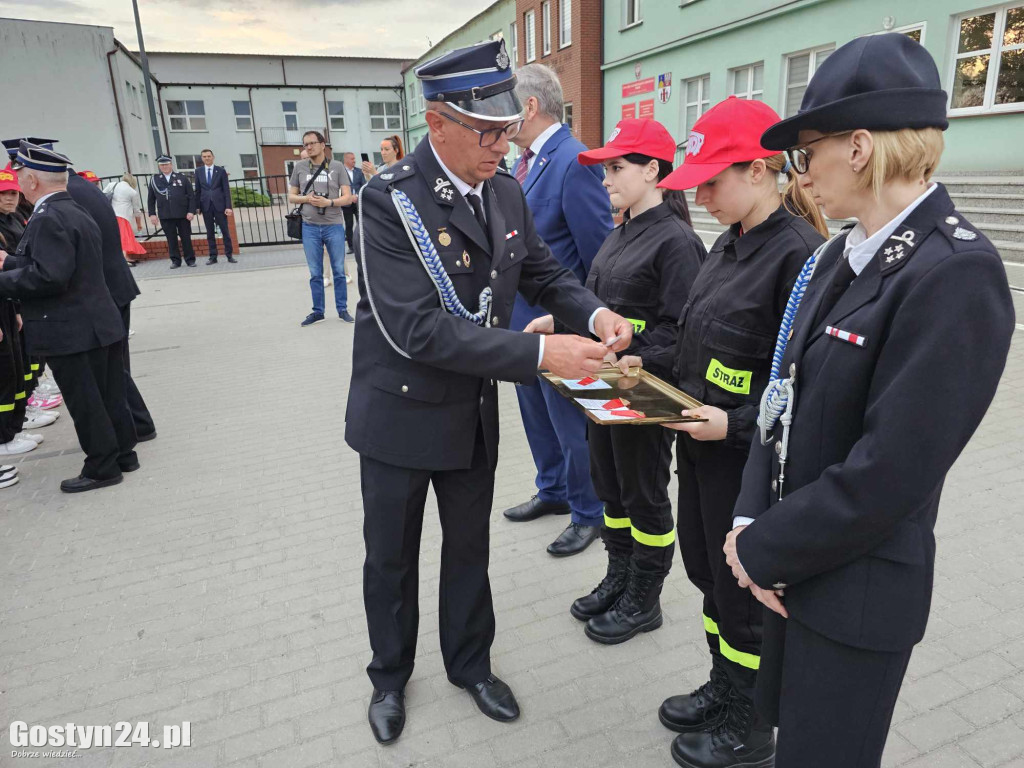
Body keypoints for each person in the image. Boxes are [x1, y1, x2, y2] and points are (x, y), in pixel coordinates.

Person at [719, 34, 1014, 768]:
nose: (800, 173)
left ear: (857, 148)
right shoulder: (838, 255)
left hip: (854, 593)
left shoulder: (956, 273)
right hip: (796, 565)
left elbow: (892, 471)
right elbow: (779, 400)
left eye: (806, 151)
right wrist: (752, 516)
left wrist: (760, 548)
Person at [346, 39, 635, 746]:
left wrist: (593, 313)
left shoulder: (504, 187)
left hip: (471, 411)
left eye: (507, 129)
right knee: (392, 556)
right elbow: (417, 330)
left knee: (469, 547)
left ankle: (470, 664)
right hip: (400, 413)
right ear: (435, 121)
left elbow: (542, 271)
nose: (500, 144)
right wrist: (542, 354)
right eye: (485, 131)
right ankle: (388, 675)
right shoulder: (388, 201)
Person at [650, 97, 828, 768]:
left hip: (749, 465)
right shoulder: (727, 245)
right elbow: (701, 344)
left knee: (743, 596)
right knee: (707, 576)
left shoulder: (802, 260)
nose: (700, 194)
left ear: (759, 171)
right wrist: (647, 367)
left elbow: (809, 389)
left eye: (712, 180)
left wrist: (733, 423)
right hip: (698, 455)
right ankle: (725, 686)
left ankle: (750, 725)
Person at [529, 118, 704, 643]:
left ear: (654, 170)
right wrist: (557, 325)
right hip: (606, 390)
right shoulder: (620, 232)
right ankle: (620, 576)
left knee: (644, 493)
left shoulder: (677, 242)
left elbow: (684, 332)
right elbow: (599, 307)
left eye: (617, 169)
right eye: (604, 171)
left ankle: (644, 597)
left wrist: (640, 361)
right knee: (611, 488)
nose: (606, 181)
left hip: (644, 396)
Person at [502, 63, 612, 557]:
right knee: (535, 417)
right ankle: (554, 491)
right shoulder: (523, 164)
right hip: (523, 323)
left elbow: (597, 255)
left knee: (570, 423)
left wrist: (584, 321)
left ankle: (589, 513)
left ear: (528, 106)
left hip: (561, 324)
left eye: (506, 106)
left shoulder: (576, 160)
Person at [0, 141, 138, 493]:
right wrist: (11, 263)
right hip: (95, 320)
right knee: (109, 394)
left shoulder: (49, 217)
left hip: (70, 328)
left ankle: (101, 467)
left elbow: (48, 277)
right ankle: (124, 455)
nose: (17, 181)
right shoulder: (73, 209)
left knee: (86, 400)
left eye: (20, 175)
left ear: (32, 181)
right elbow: (63, 264)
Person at [288, 131, 353, 325]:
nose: (308, 147)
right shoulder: (299, 166)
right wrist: (307, 198)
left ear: (322, 144)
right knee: (315, 273)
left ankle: (342, 309)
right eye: (305, 144)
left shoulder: (337, 167)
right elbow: (291, 196)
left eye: (312, 143)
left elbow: (347, 197)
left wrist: (329, 202)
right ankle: (318, 311)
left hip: (333, 225)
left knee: (339, 271)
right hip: (309, 227)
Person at [0, 165, 36, 460]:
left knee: (19, 366)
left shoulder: (14, 219)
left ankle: (14, 426)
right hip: (6, 302)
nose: (9, 197)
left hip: (12, 301)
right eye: (4, 193)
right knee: (7, 371)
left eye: (13, 192)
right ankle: (4, 435)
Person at [148, 155, 197, 269]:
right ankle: (175, 261)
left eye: (166, 164)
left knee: (186, 238)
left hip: (182, 214)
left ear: (171, 164)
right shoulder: (155, 179)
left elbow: (191, 196)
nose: (164, 167)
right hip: (166, 214)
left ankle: (190, 260)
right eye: (162, 165)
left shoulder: (182, 177)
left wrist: (191, 211)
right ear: (159, 166)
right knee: (171, 239)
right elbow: (151, 198)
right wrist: (152, 214)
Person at [194, 149, 236, 264]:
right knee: (210, 232)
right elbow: (197, 190)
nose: (207, 158)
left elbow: (226, 190)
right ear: (202, 158)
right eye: (204, 156)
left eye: (208, 156)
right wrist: (197, 206)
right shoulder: (198, 171)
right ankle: (213, 257)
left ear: (213, 157)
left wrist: (228, 207)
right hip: (206, 206)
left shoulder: (221, 171)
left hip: (220, 206)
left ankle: (229, 255)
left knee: (225, 231)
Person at [103, 173, 147, 265]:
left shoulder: (112, 185)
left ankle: (125, 257)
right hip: (123, 216)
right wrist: (139, 224)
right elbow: (136, 210)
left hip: (110, 214)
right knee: (124, 237)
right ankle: (123, 259)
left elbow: (102, 196)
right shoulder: (132, 192)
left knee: (116, 237)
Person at [341, 152, 365, 261]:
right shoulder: (341, 172)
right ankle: (351, 246)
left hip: (358, 201)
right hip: (346, 203)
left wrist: (356, 195)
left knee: (360, 223)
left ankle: (361, 244)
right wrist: (349, 197)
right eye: (352, 159)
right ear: (346, 160)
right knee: (349, 224)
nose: (354, 161)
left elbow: (363, 185)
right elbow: (339, 187)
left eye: (354, 159)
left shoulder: (359, 171)